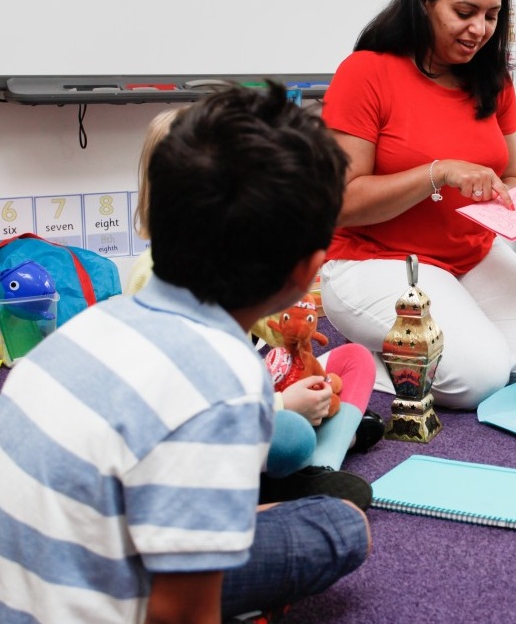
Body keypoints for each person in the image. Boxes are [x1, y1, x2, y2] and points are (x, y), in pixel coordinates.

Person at [0, 83, 370, 624]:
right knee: (343, 524)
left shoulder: (80, 330)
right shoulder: (224, 381)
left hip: (31, 599)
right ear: (309, 270)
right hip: (100, 619)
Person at [319, 0, 516, 410]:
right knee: (479, 378)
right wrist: (437, 173)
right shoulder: (366, 72)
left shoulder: (493, 79)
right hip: (374, 258)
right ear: (424, 1)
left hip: (470, 254)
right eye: (464, 12)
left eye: (492, 15)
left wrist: (514, 200)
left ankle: (457, 341)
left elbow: (511, 175)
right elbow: (343, 204)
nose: (479, 29)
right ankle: (352, 361)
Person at [125, 108, 385, 502]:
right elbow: (186, 401)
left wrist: (295, 329)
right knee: (293, 435)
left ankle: (319, 467)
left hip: (250, 387)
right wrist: (282, 404)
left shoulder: (232, 254)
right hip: (201, 418)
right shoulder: (157, 273)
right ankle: (312, 454)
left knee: (356, 360)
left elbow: (277, 332)